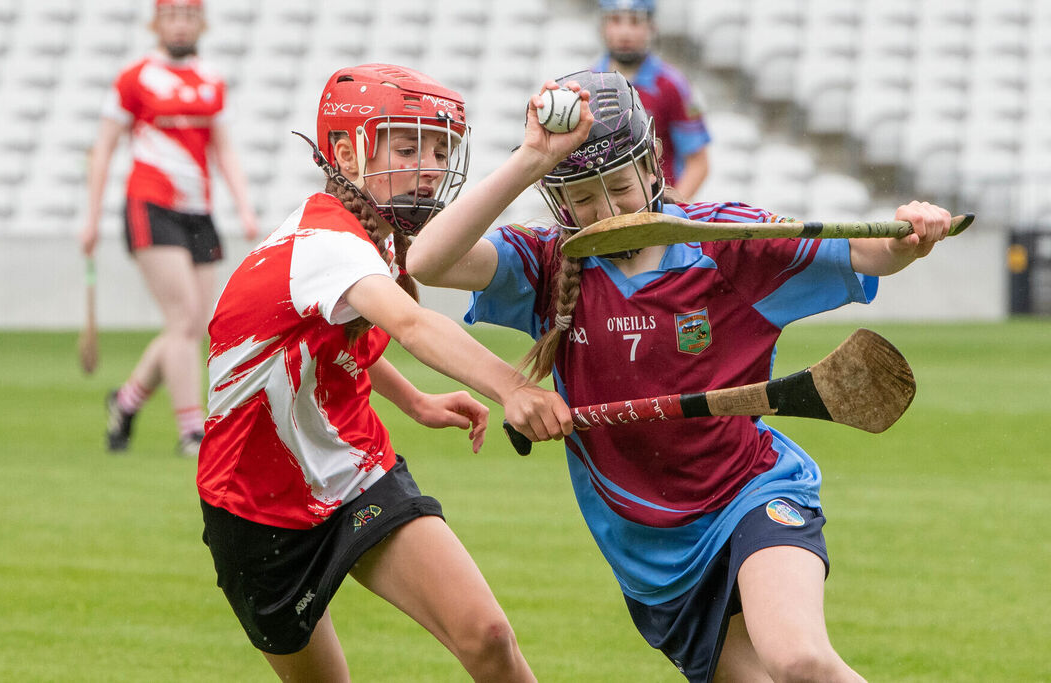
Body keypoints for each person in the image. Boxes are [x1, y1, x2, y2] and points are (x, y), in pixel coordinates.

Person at [406, 70, 953, 682]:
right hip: (648, 551)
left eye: (619, 187)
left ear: (651, 166)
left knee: (800, 661)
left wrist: (911, 240)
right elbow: (427, 261)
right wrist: (533, 158)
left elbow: (868, 253)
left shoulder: (724, 242)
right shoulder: (545, 264)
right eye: (583, 197)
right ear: (557, 200)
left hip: (751, 490)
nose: (607, 211)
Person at [197, 63, 573, 682]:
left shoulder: (375, 238)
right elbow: (413, 325)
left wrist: (415, 401)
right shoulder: (325, 244)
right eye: (407, 146)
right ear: (346, 153)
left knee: (488, 637)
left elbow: (340, 344)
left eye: (439, 149)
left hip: (356, 473)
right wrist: (511, 386)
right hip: (254, 506)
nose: (429, 166)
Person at [79, 0, 259, 456]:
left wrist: (244, 206)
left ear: (201, 23)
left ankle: (125, 401)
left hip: (198, 211)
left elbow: (224, 150)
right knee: (181, 319)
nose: (180, 23)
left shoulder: (212, 81)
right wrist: (91, 216)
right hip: (150, 204)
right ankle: (191, 432)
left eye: (189, 15)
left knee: (194, 325)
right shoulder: (135, 77)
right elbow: (102, 149)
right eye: (172, 15)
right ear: (157, 22)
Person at [595, 0, 710, 200]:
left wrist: (671, 210)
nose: (625, 33)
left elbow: (698, 163)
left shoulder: (674, 85)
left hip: (658, 212)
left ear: (652, 27)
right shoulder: (589, 84)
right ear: (603, 26)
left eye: (635, 22)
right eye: (615, 20)